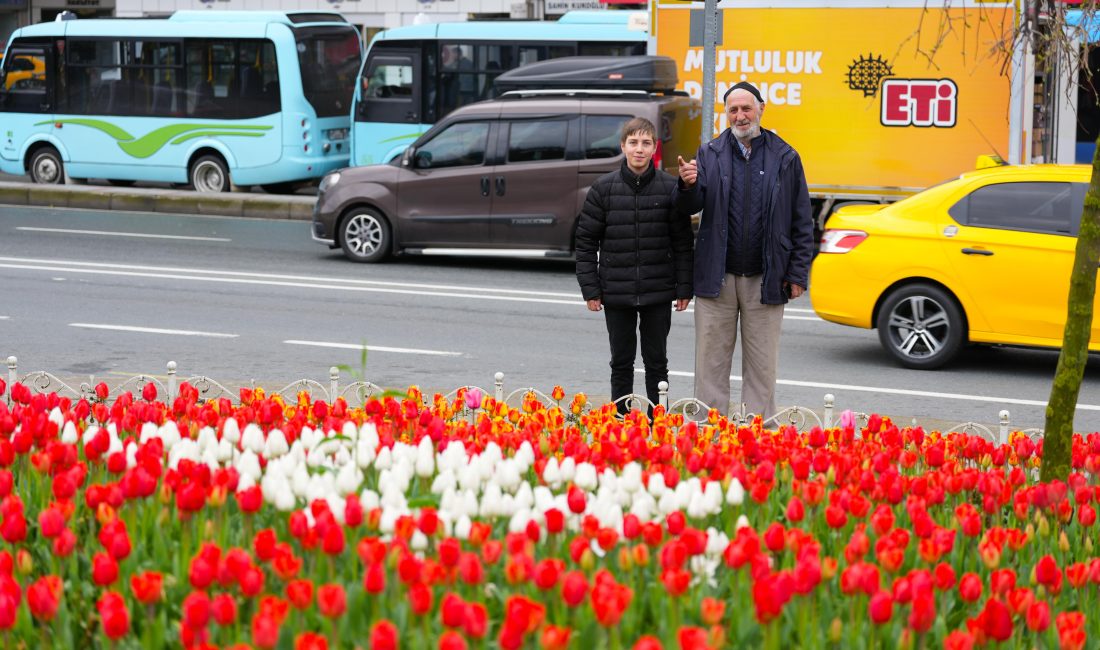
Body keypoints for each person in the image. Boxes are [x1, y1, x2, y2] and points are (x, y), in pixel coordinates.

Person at [675, 81, 814, 419]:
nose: (740, 116)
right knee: (710, 364)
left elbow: (802, 219)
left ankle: (758, 433)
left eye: (746, 108)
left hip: (766, 279)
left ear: (761, 110)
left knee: (762, 367)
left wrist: (796, 273)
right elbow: (691, 208)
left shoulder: (785, 156)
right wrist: (688, 185)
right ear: (727, 114)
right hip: (716, 278)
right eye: (733, 110)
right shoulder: (710, 152)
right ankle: (709, 430)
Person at [576, 117, 694, 417]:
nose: (639, 149)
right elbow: (586, 243)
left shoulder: (670, 188)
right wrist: (591, 288)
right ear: (623, 146)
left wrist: (684, 287)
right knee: (621, 361)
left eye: (645, 143)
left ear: (654, 148)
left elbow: (682, 242)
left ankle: (659, 421)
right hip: (616, 292)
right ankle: (621, 419)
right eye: (633, 142)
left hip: (658, 291)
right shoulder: (603, 189)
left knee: (657, 361)